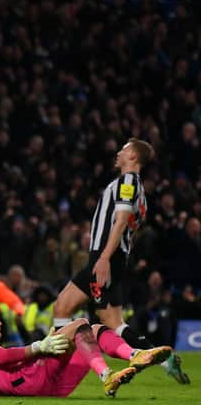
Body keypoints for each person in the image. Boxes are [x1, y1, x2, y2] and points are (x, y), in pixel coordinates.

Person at [52, 138, 190, 384]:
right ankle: (163, 359)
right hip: (112, 257)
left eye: (124, 150)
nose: (118, 152)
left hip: (105, 256)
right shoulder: (139, 191)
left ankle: (73, 368)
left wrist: (104, 258)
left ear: (134, 157)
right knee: (67, 308)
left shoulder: (128, 182)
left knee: (107, 322)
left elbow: (122, 220)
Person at [0, 305, 172, 397]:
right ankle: (110, 372)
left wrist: (39, 349)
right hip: (27, 381)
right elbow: (2, 356)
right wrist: (38, 347)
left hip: (48, 387)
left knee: (94, 330)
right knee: (81, 324)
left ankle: (131, 357)